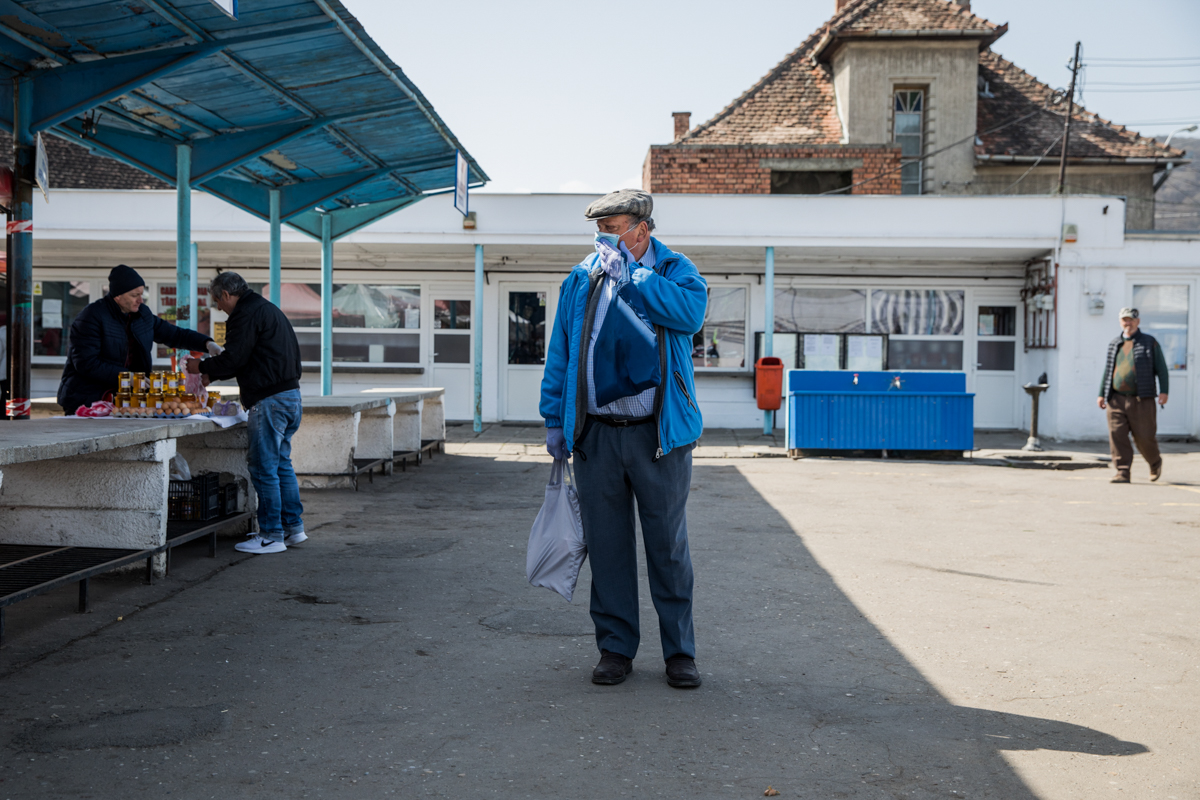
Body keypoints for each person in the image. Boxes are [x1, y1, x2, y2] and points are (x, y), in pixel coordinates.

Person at [540, 189, 708, 688]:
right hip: (597, 436)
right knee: (608, 548)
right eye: (599, 229)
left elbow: (687, 315)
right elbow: (563, 352)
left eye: (612, 227)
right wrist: (556, 420)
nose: (603, 237)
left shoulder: (678, 271)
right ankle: (615, 648)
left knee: (668, 547)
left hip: (659, 437)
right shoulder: (581, 277)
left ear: (642, 228)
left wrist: (633, 276)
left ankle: (680, 653)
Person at [189, 272, 304, 555]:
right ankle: (293, 529)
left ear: (226, 295)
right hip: (291, 396)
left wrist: (202, 368)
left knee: (264, 468)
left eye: (217, 301)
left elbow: (234, 358)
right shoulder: (266, 308)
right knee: (281, 465)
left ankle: (271, 536)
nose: (218, 307)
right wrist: (212, 376)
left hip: (270, 400)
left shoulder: (244, 314)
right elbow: (245, 358)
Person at [58, 265, 215, 414]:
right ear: (117, 296)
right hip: (88, 399)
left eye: (142, 294)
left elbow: (175, 334)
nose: (141, 300)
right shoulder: (91, 316)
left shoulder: (142, 315)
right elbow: (86, 363)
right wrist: (127, 377)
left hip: (128, 399)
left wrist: (207, 343)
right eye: (135, 295)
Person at [1097, 307, 1169, 484]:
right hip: (1116, 398)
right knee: (1117, 435)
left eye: (1131, 320)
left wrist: (1164, 391)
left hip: (1141, 399)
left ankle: (1154, 462)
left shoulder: (1149, 342)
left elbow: (1162, 369)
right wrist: (1101, 394)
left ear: (1138, 321)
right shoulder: (1115, 343)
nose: (1127, 323)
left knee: (1144, 437)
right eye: (1124, 320)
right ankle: (1122, 471)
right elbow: (1108, 370)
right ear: (1120, 322)